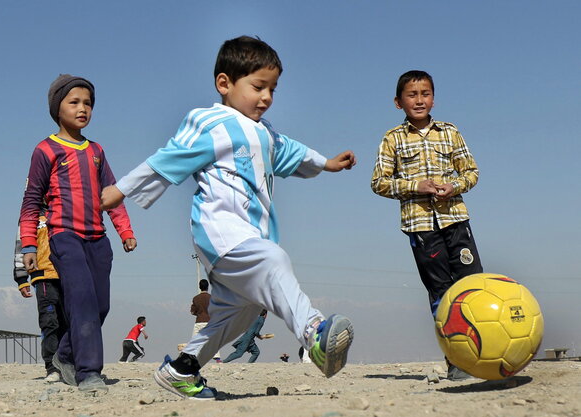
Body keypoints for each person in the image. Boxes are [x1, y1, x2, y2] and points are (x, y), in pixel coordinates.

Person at [101, 35, 356, 400]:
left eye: (272, 89)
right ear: (225, 83)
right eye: (258, 86)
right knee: (273, 261)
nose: (266, 97)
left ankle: (182, 369)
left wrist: (326, 163)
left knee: (240, 310)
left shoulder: (265, 133)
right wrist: (120, 189)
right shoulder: (210, 122)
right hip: (220, 232)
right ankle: (315, 333)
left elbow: (291, 153)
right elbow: (168, 157)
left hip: (252, 235)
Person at [19, 74, 137, 393]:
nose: (82, 108)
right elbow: (31, 202)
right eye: (74, 102)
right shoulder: (45, 150)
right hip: (64, 236)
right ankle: (88, 372)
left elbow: (111, 194)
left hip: (98, 239)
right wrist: (29, 245)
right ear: (58, 109)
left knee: (100, 305)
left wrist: (124, 229)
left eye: (87, 103)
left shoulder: (96, 150)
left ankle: (65, 355)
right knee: (82, 300)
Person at [370, 70, 482, 381]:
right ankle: (456, 360)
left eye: (425, 93)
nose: (419, 100)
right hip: (420, 227)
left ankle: (484, 354)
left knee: (471, 287)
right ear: (398, 102)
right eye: (412, 94)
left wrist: (454, 186)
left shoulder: (450, 132)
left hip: (456, 220)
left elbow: (471, 171)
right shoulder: (392, 139)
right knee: (440, 291)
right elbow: (378, 182)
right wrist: (415, 186)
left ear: (434, 98)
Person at [13, 215, 67, 382]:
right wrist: (21, 278)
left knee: (68, 321)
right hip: (42, 275)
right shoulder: (30, 217)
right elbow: (20, 246)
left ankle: (69, 363)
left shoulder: (65, 209)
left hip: (69, 274)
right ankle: (52, 367)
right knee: (49, 321)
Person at [190, 279, 221, 362]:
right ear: (208, 287)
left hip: (199, 321)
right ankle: (217, 358)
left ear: (200, 287)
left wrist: (199, 313)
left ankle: (192, 358)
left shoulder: (196, 298)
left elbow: (192, 311)